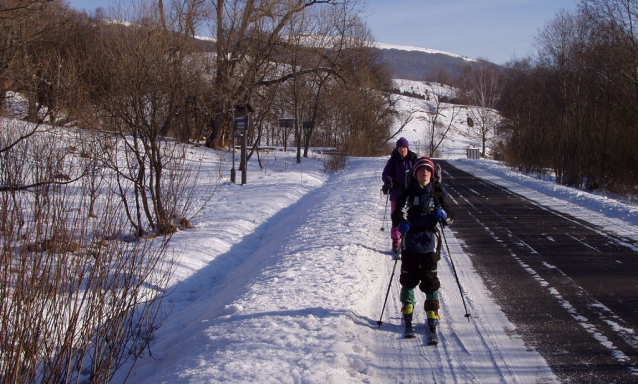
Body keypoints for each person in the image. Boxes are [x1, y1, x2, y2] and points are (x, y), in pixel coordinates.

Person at [391, 156, 454, 338]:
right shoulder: (409, 192)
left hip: (430, 243)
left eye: (427, 170)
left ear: (432, 174)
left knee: (430, 280)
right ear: (415, 173)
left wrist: (444, 216)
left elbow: (450, 218)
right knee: (408, 278)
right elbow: (398, 212)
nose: (424, 173)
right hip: (410, 241)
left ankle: (432, 311)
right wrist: (401, 223)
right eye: (421, 170)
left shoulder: (438, 193)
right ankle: (408, 308)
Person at [381, 137, 418, 255]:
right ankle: (396, 241)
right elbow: (386, 173)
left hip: (411, 192)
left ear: (408, 148)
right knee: (396, 217)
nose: (403, 150)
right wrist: (388, 181)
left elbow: (421, 170)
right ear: (397, 149)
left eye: (405, 147)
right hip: (397, 193)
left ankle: (409, 239)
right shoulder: (393, 160)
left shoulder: (413, 159)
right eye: (401, 148)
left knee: (412, 216)